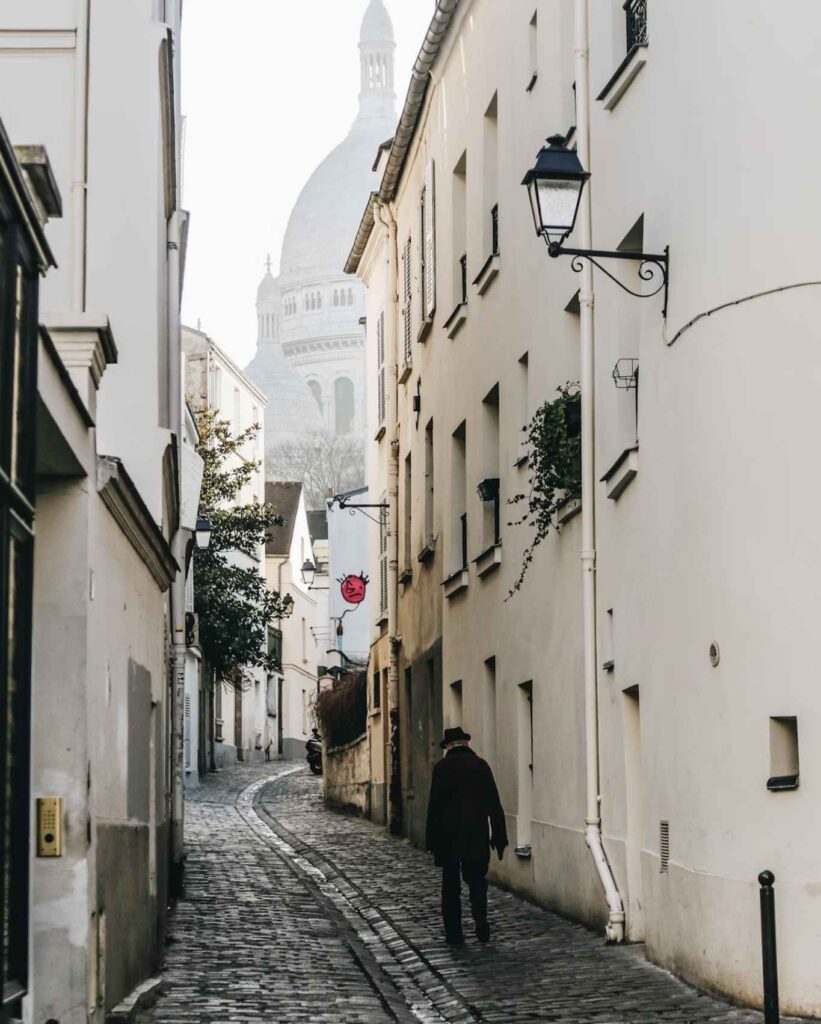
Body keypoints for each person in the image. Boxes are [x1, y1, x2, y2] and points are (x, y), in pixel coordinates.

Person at [425, 726, 508, 945]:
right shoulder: (481, 766)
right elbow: (494, 803)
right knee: (477, 880)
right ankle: (480, 918)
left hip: (449, 836)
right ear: (466, 744)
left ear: (448, 746)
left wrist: (431, 840)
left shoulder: (442, 768)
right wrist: (499, 835)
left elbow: (435, 806)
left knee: (450, 886)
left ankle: (454, 933)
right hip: (476, 833)